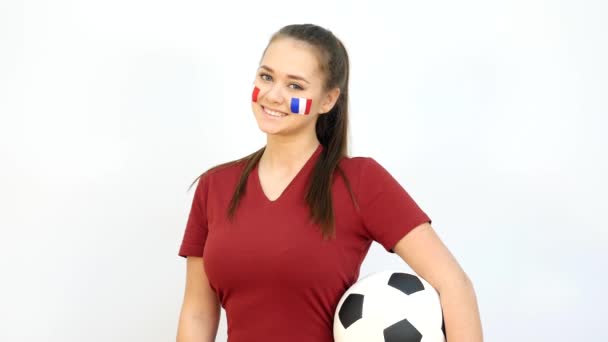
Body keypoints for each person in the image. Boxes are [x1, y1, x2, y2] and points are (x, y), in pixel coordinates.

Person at [176, 24, 483, 342]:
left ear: (328, 100)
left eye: (295, 86)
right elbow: (198, 312)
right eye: (266, 77)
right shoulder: (215, 186)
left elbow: (454, 284)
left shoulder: (360, 181)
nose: (273, 95)